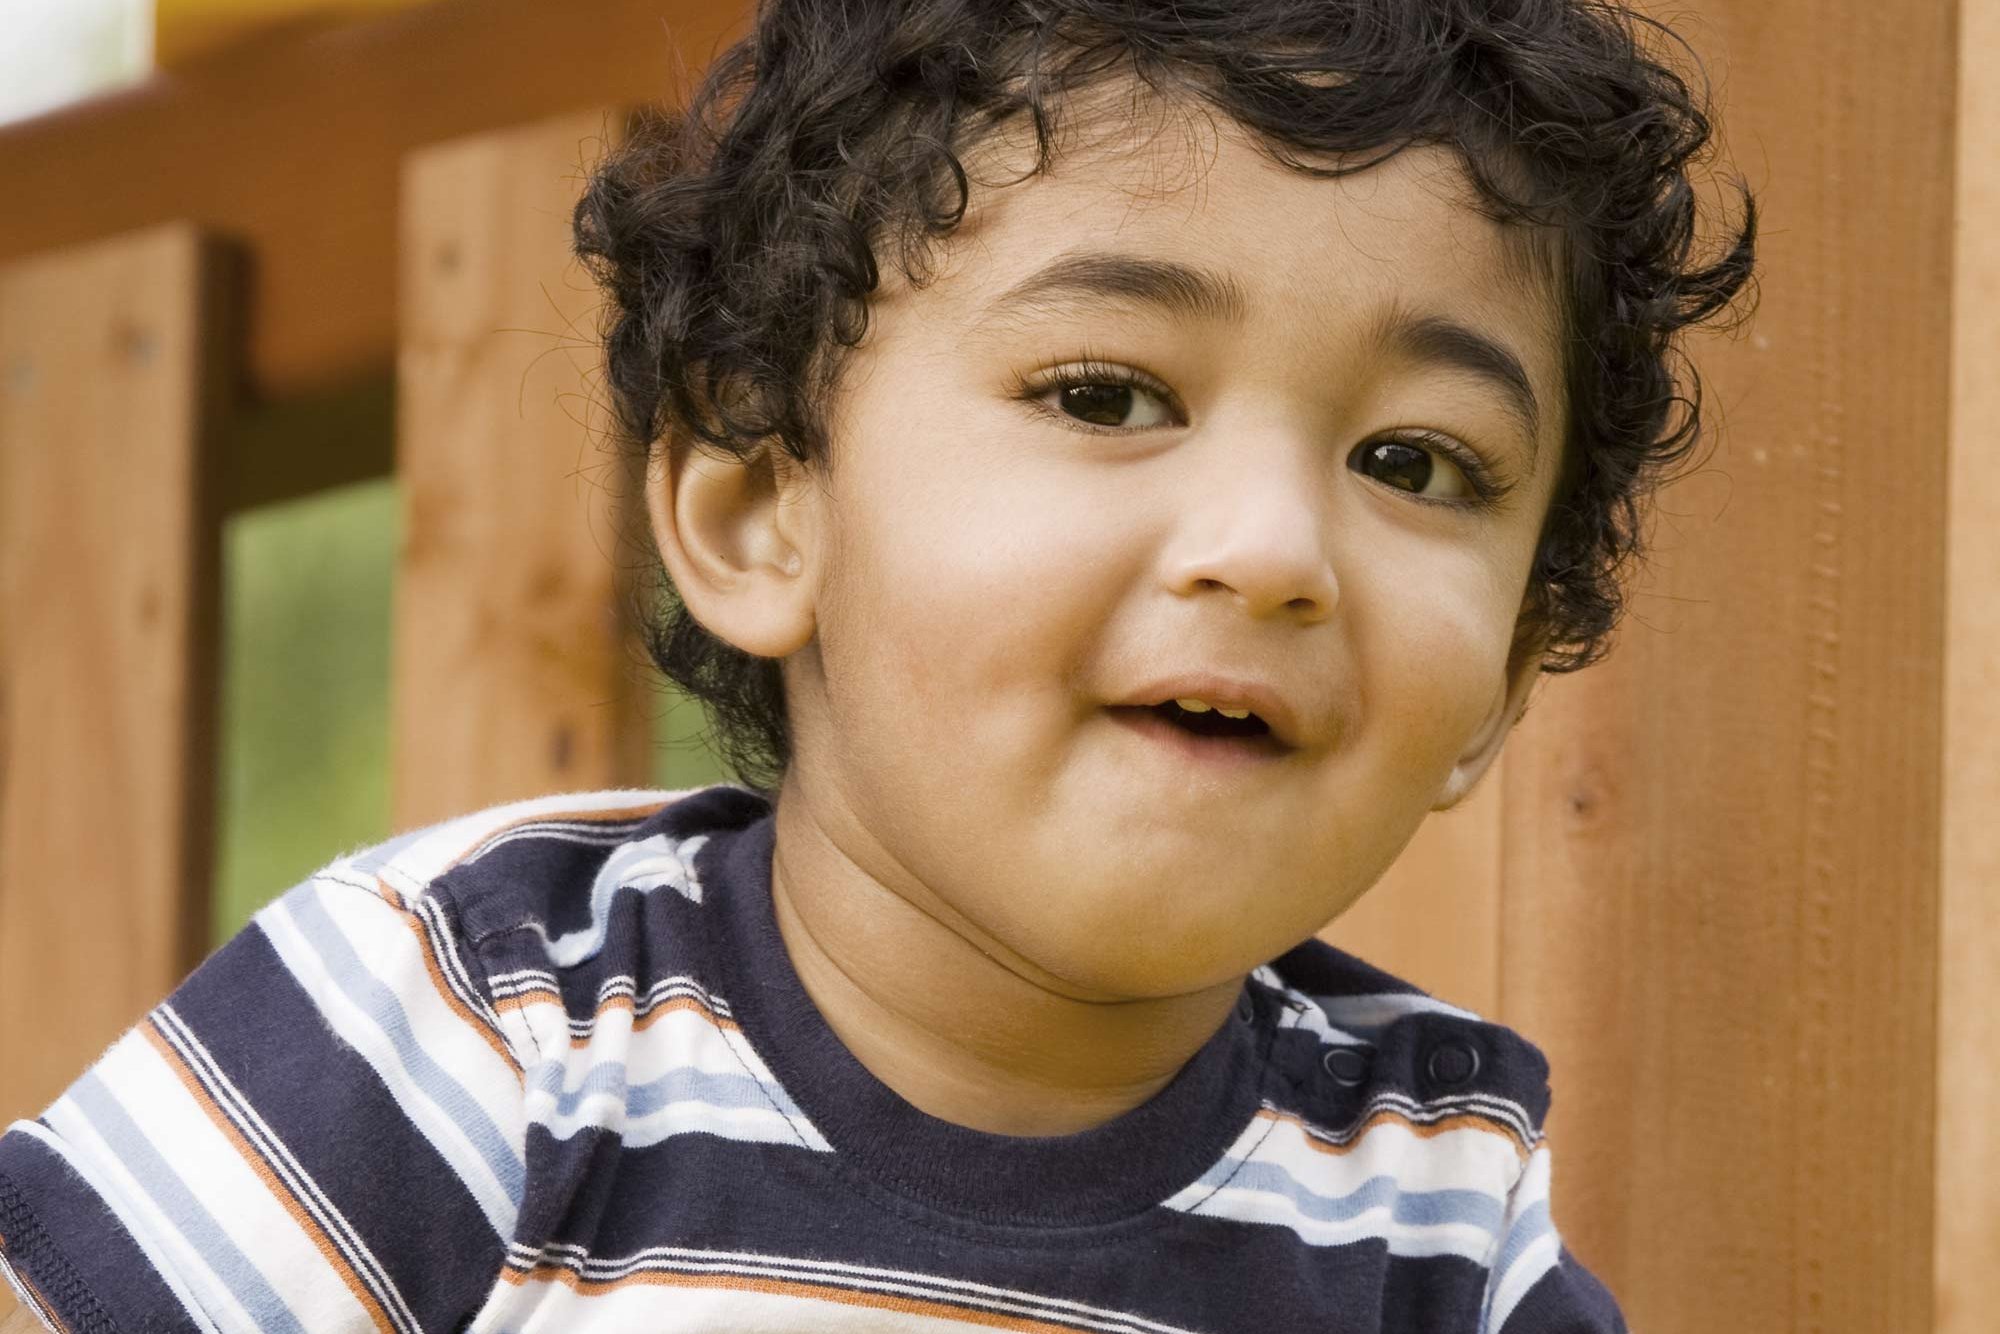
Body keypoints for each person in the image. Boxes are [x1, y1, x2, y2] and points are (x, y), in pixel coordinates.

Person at [0, 0, 1757, 1329]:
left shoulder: (1429, 1207)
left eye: (1414, 463)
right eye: (1106, 394)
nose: (1276, 550)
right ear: (766, 504)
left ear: (1513, 673)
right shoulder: (477, 1019)